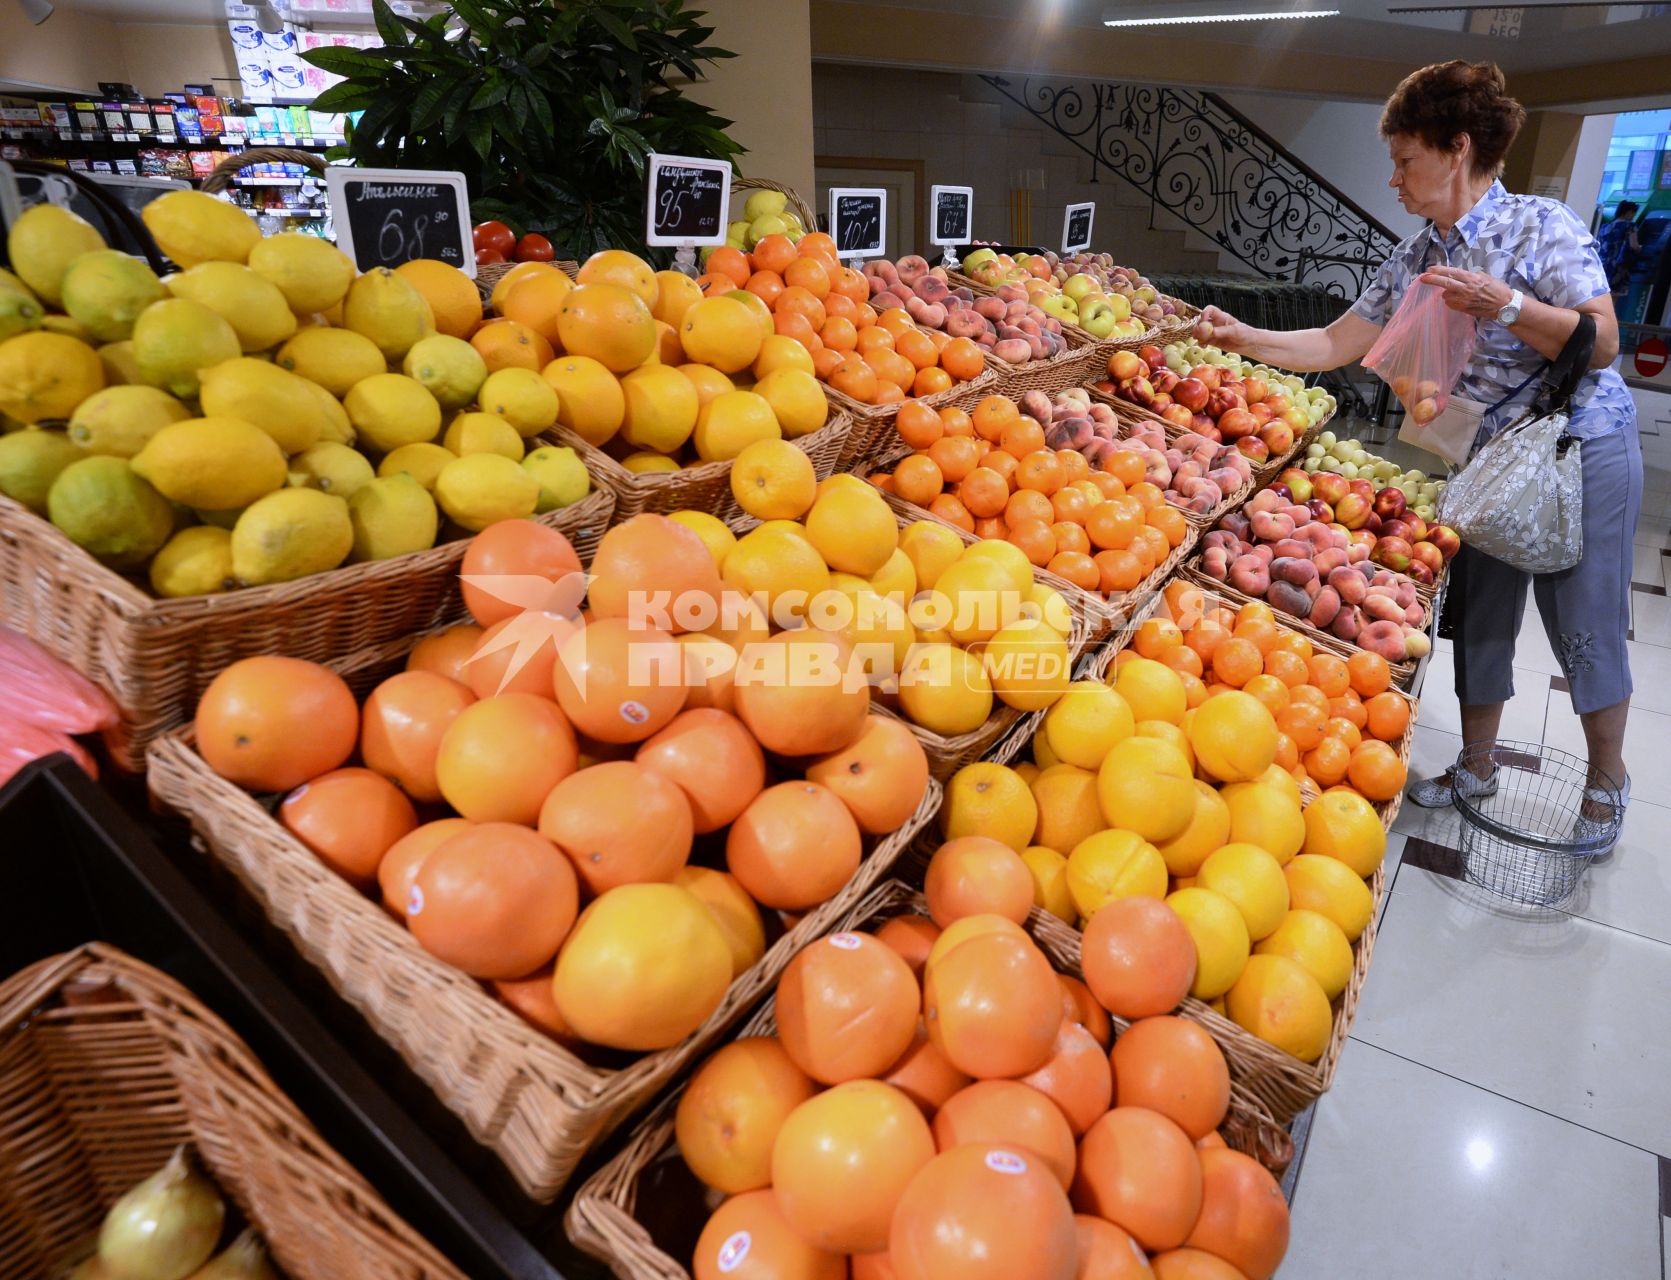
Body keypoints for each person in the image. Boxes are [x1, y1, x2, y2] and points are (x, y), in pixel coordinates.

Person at [1200, 60, 1639, 840]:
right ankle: (1476, 763)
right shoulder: (1413, 257)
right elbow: (1336, 340)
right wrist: (1244, 336)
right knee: (1479, 612)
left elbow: (1601, 341)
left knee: (1581, 618)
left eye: (1405, 160)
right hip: (1487, 456)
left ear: (1456, 149)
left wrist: (1503, 304)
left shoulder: (1541, 226)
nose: (1394, 179)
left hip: (1578, 445)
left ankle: (1607, 779)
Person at [1598, 200, 1641, 292]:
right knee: (1614, 297)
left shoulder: (1605, 226)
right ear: (1629, 212)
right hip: (1618, 267)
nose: (1634, 216)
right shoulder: (1630, 226)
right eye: (1634, 213)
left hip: (1602, 264)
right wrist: (1641, 248)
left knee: (1601, 294)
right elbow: (1634, 246)